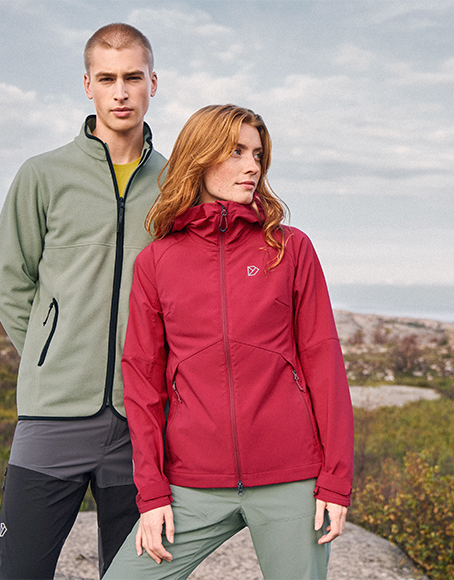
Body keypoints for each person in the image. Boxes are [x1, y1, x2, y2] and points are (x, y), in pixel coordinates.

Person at [104, 104, 354, 580]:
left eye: (257, 154)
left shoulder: (290, 248)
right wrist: (152, 493)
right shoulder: (157, 261)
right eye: (236, 152)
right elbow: (141, 383)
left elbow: (324, 364)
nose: (252, 166)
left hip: (290, 478)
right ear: (200, 157)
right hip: (191, 482)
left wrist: (335, 480)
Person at [0, 23, 166, 579]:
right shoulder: (42, 175)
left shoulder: (177, 184)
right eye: (107, 79)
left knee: (135, 574)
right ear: (87, 85)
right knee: (19, 571)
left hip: (141, 421)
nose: (121, 92)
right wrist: (51, 354)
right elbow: (9, 282)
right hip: (53, 413)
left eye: (132, 77)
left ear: (153, 83)